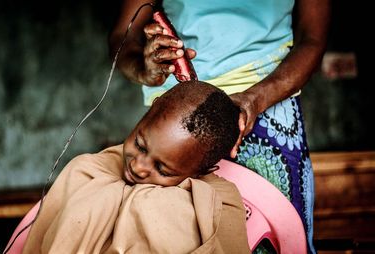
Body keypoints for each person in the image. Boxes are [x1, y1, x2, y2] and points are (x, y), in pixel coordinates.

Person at [109, 0, 330, 253]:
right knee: (159, 233)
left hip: (268, 97)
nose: (138, 165)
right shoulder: (144, 154)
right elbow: (122, 35)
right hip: (173, 119)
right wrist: (141, 68)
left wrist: (256, 99)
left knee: (277, 231)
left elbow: (313, 39)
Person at [23, 81, 250, 253]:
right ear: (151, 108)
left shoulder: (221, 202)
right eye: (140, 145)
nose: (138, 167)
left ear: (201, 172)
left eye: (163, 170)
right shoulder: (90, 169)